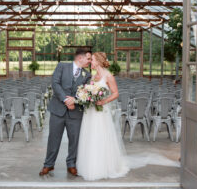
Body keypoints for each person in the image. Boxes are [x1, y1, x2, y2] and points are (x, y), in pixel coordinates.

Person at [76, 52, 130, 181]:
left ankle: (103, 167)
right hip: (90, 112)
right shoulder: (93, 76)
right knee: (89, 137)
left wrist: (103, 101)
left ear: (98, 61)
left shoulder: (108, 76)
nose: (90, 62)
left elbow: (115, 93)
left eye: (92, 60)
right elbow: (89, 92)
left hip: (101, 112)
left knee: (100, 136)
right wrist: (86, 97)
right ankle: (88, 166)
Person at [39, 48, 92, 176]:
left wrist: (75, 100)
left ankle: (71, 164)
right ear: (80, 58)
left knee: (74, 140)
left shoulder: (87, 75)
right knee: (53, 138)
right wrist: (65, 100)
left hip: (76, 112)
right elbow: (55, 84)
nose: (90, 62)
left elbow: (86, 93)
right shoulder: (62, 66)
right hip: (58, 110)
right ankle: (48, 164)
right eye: (88, 58)